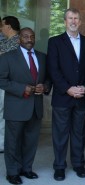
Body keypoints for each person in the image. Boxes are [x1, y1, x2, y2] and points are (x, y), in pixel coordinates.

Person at [47, 8, 85, 181]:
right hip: (62, 96)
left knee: (79, 133)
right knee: (60, 134)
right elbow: (53, 70)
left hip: (82, 96)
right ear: (65, 21)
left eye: (76, 18)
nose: (73, 21)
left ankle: (78, 164)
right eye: (70, 18)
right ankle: (59, 166)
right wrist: (68, 88)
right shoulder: (54, 42)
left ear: (80, 21)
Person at [0, 27, 50, 185]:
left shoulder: (42, 57)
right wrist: (22, 89)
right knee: (13, 142)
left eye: (32, 36)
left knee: (31, 141)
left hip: (35, 107)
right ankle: (12, 172)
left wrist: (46, 87)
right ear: (19, 39)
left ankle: (26, 169)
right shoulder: (8, 57)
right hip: (16, 107)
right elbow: (1, 80)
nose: (29, 39)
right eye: (25, 36)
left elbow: (48, 78)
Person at [0, 16, 20, 154]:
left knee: (3, 114)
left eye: (2, 25)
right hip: (5, 82)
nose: (0, 28)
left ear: (9, 26)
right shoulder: (7, 41)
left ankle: (2, 144)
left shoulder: (17, 41)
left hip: (9, 84)